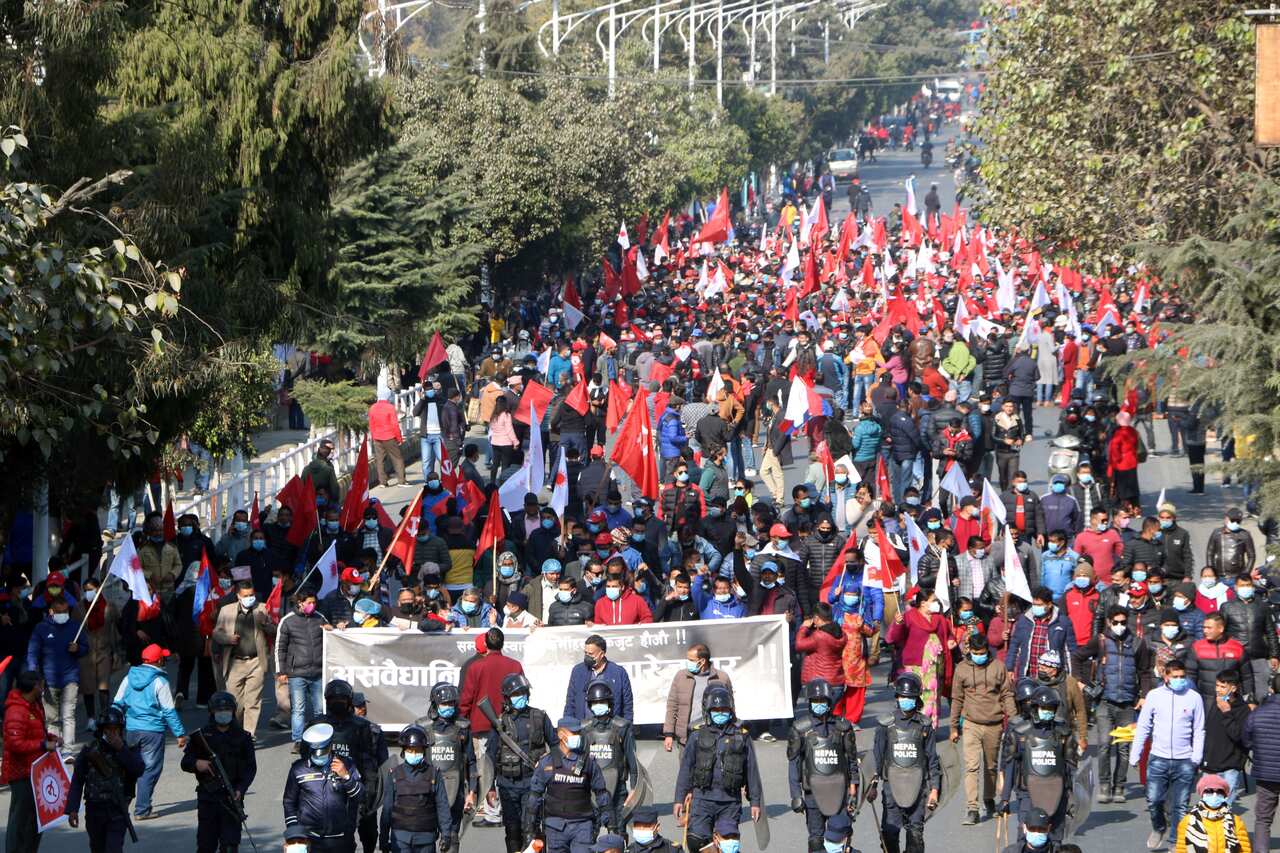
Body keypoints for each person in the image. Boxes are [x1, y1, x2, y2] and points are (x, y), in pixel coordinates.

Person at [672, 684, 763, 853]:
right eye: (716, 709)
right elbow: (686, 769)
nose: (720, 713)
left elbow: (752, 771)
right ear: (709, 710)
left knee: (727, 846)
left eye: (724, 709)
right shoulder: (697, 735)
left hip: (729, 802)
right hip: (702, 799)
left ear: (731, 711)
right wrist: (679, 798)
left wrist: (755, 802)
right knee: (697, 842)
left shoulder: (741, 736)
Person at [1130, 658, 1204, 851]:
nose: (1180, 680)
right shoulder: (1154, 696)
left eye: (1182, 676)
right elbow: (1144, 726)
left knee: (1180, 806)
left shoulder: (1194, 697)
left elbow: (1199, 729)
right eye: (1175, 676)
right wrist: (1135, 753)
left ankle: (1175, 842)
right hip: (1158, 758)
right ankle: (1158, 827)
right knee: (1154, 800)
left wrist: (1196, 757)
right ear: (1166, 676)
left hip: (1185, 760)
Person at [112, 643, 187, 820]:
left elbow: (117, 703)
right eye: (163, 658)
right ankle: (142, 809)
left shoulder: (128, 677)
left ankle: (122, 805)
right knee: (149, 770)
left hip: (131, 730)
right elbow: (169, 710)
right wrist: (180, 734)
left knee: (130, 768)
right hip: (152, 732)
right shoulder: (160, 681)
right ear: (159, 660)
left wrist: (113, 729)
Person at [867, 674, 941, 853]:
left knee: (915, 837)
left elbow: (932, 758)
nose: (906, 700)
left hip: (918, 788)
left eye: (910, 697)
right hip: (891, 788)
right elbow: (877, 756)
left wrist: (934, 789)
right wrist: (872, 785)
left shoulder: (924, 725)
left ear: (916, 699)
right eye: (903, 697)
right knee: (889, 835)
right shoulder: (886, 725)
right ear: (897, 697)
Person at [314, 679, 387, 853]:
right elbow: (305, 763)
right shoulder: (316, 726)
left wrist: (371, 794)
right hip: (327, 792)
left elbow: (380, 764)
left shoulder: (368, 728)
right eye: (333, 699)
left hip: (361, 788)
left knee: (368, 834)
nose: (337, 703)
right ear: (327, 700)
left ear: (349, 701)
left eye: (342, 699)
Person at [950, 632, 1015, 824]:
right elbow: (957, 699)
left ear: (988, 650)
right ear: (969, 650)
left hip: (994, 725)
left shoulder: (998, 667)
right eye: (976, 652)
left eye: (983, 652)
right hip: (971, 724)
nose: (980, 655)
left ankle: (989, 798)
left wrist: (1014, 720)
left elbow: (1007, 695)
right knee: (972, 767)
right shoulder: (961, 669)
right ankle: (972, 808)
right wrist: (954, 726)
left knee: (991, 766)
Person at [180, 691, 257, 853]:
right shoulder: (202, 736)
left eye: (227, 710)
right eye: (219, 710)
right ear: (211, 712)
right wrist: (196, 763)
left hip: (232, 799)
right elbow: (185, 762)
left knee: (230, 846)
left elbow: (250, 768)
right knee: (205, 846)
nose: (223, 714)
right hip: (208, 798)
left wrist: (240, 789)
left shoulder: (243, 737)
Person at [787, 679, 860, 849]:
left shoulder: (842, 727)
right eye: (815, 701)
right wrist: (796, 795)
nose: (819, 704)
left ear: (829, 701)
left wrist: (854, 786)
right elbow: (793, 764)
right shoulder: (800, 729)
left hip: (839, 792)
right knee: (816, 840)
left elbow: (851, 759)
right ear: (810, 702)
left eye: (822, 701)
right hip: (813, 794)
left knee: (839, 837)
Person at [1094, 605, 1155, 804]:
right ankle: (1104, 784)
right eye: (1116, 622)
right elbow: (1078, 657)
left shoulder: (1137, 643)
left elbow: (1145, 672)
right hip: (1104, 701)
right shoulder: (1101, 641)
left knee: (1123, 747)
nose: (1120, 626)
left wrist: (1144, 695)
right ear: (1109, 622)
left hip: (1128, 703)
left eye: (1123, 622)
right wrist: (1080, 681)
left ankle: (1119, 785)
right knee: (1103, 744)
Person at [998, 687, 1075, 843]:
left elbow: (1071, 768)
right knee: (1025, 839)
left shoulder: (1063, 734)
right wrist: (1005, 799)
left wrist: (1073, 798)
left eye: (1051, 708)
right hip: (1027, 794)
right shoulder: (1020, 734)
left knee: (1055, 840)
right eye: (1044, 708)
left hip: (1057, 795)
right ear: (1035, 708)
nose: (1048, 711)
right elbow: (1011, 767)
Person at [64, 705, 145, 853]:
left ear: (121, 730)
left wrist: (122, 750)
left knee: (113, 848)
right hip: (95, 810)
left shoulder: (129, 749)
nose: (112, 733)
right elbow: (77, 780)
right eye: (108, 729)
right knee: (97, 848)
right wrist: (72, 809)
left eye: (116, 729)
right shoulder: (89, 751)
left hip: (117, 809)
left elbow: (138, 770)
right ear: (102, 730)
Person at [491, 672, 556, 853]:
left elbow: (556, 747)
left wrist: (547, 767)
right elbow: (490, 756)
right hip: (507, 785)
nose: (520, 698)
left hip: (532, 784)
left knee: (532, 829)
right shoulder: (499, 723)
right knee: (512, 831)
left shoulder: (539, 717)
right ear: (507, 698)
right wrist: (489, 788)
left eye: (523, 693)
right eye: (515, 695)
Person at [526, 716, 611, 853]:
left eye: (579, 733)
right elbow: (534, 797)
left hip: (582, 826)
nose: (577, 736)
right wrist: (530, 828)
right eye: (573, 733)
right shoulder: (547, 762)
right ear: (561, 734)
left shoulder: (588, 762)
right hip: (555, 828)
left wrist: (610, 824)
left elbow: (601, 793)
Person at [410, 682, 477, 851]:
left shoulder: (463, 728)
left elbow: (471, 761)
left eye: (451, 703)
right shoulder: (423, 727)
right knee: (426, 838)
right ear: (435, 704)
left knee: (452, 838)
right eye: (444, 703)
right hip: (428, 791)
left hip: (456, 790)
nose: (448, 707)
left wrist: (472, 792)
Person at [283, 722, 365, 849]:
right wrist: (294, 831)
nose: (319, 756)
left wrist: (346, 777)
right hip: (309, 838)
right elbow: (289, 801)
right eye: (315, 752)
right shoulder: (298, 769)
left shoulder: (347, 764)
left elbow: (360, 797)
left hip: (341, 838)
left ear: (330, 746)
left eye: (322, 751)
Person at [3, 670, 59, 852]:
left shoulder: (34, 705)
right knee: (20, 820)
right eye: (41, 684)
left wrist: (50, 738)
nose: (43, 687)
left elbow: (35, 733)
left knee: (36, 819)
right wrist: (43, 745)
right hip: (21, 773)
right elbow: (15, 743)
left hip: (37, 771)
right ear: (35, 686)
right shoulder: (17, 710)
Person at [378, 725, 455, 853]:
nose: (413, 753)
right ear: (404, 750)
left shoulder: (434, 773)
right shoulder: (394, 774)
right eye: (410, 750)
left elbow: (442, 806)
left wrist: (446, 835)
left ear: (423, 751)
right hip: (400, 839)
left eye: (417, 750)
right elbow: (387, 809)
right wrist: (384, 839)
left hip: (426, 839)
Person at [211, 579, 274, 737]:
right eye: (246, 595)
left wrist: (265, 624)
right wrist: (228, 639)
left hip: (256, 662)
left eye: (251, 595)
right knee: (235, 703)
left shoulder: (262, 608)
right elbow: (216, 633)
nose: (249, 598)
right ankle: (235, 731)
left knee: (253, 702)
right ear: (238, 596)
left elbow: (275, 630)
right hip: (235, 662)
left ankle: (248, 735)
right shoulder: (227, 610)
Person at [25, 592, 87, 751]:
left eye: (65, 612)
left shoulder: (75, 627)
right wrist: (32, 672)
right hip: (49, 681)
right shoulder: (41, 628)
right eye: (59, 612)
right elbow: (33, 651)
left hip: (70, 679)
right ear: (51, 612)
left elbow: (86, 648)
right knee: (51, 719)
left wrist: (78, 648)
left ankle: (68, 750)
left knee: (68, 716)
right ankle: (54, 751)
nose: (63, 615)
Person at [885, 587, 955, 726]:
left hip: (934, 668)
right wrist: (897, 624)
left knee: (932, 698)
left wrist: (951, 641)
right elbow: (892, 638)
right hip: (914, 666)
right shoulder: (909, 617)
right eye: (933, 600)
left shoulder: (939, 619)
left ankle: (929, 727)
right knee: (913, 696)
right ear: (923, 603)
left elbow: (948, 635)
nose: (936, 603)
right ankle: (911, 726)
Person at [581, 681, 639, 835]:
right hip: (591, 790)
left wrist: (634, 788)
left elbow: (632, 761)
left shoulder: (622, 727)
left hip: (618, 789)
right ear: (590, 705)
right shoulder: (584, 729)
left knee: (618, 833)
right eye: (595, 702)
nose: (598, 705)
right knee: (588, 835)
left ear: (610, 703)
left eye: (602, 702)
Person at [276, 589, 331, 747]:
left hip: (318, 672)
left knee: (319, 709)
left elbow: (332, 634)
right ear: (300, 603)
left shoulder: (319, 618)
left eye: (314, 602)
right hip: (297, 673)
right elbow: (280, 648)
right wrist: (281, 671)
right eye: (309, 602)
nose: (312, 605)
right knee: (298, 709)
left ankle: (320, 738)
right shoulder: (288, 620)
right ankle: (298, 740)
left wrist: (331, 628)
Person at [663, 643, 733, 754]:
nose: (688, 662)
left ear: (702, 661)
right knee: (686, 770)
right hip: (686, 739)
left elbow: (730, 707)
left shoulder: (722, 678)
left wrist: (731, 733)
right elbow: (672, 705)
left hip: (713, 737)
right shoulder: (681, 676)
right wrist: (668, 734)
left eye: (691, 660)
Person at [1007, 586, 1078, 682]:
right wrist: (1009, 668)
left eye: (1039, 605)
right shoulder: (1024, 620)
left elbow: (1070, 651)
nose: (1035, 608)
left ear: (1049, 605)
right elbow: (1014, 645)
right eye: (1034, 604)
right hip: (1028, 676)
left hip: (1052, 678)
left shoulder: (1063, 622)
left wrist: (1072, 677)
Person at [1185, 612, 1254, 708]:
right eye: (1204, 627)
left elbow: (1247, 677)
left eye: (1209, 628)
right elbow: (1190, 677)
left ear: (1221, 629)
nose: (1205, 631)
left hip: (1231, 702)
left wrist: (1250, 701)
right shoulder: (1196, 647)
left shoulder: (1237, 648)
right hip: (1205, 702)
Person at [1202, 670, 1250, 807]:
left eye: (1223, 687)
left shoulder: (1243, 709)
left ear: (1233, 688)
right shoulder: (1215, 703)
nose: (1218, 690)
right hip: (1211, 764)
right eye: (1217, 685)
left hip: (1230, 765)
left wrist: (1227, 712)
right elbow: (1209, 732)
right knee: (1207, 807)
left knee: (1224, 808)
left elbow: (1239, 735)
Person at [1245, 672, 1280, 852]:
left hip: (1266, 772)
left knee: (1263, 818)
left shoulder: (1258, 713)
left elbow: (1246, 739)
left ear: (1271, 690)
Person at [1174, 773, 1252, 853]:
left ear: (1225, 795)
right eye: (1209, 791)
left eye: (1219, 791)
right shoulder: (1188, 820)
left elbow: (1244, 848)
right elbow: (1182, 848)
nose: (1214, 795)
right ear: (1202, 794)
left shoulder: (1235, 820)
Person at [564, 635, 635, 722]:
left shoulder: (619, 672)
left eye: (590, 654)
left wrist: (626, 730)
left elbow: (627, 706)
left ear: (601, 654)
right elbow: (570, 703)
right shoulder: (578, 671)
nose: (587, 656)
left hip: (612, 730)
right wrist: (568, 727)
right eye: (585, 653)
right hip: (583, 729)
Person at [1207, 508, 1256, 583]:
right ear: (1226, 519)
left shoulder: (1245, 535)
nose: (1235, 523)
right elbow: (1210, 553)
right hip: (1219, 576)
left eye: (1238, 521)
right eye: (1233, 520)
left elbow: (1251, 556)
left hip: (1237, 577)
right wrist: (1211, 571)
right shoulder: (1217, 533)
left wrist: (1245, 573)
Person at [368, 390, 406, 487]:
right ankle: (401, 481)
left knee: (380, 460)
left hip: (377, 437)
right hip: (389, 436)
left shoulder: (372, 408)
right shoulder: (390, 408)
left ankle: (382, 482)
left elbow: (371, 425)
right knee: (397, 458)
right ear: (388, 397)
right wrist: (399, 438)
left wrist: (373, 437)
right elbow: (395, 425)